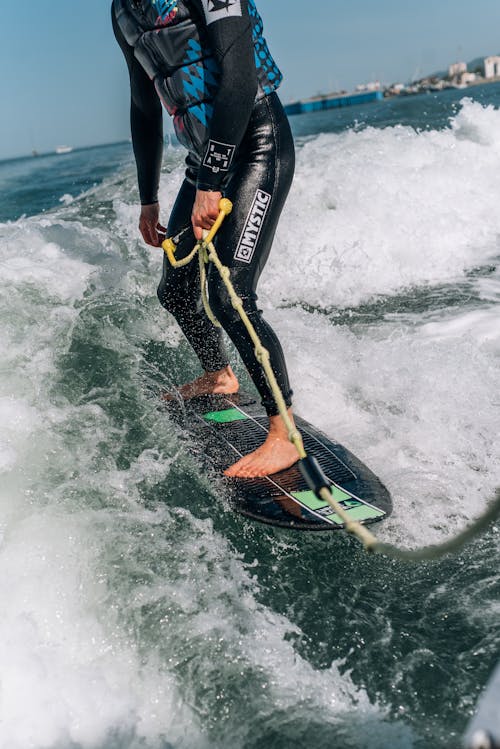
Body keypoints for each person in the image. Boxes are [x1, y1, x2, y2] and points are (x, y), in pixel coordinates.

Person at [112, 0, 297, 478]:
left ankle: (284, 432)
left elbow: (239, 79)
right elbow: (142, 105)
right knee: (176, 290)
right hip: (205, 159)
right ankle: (219, 375)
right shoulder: (124, 10)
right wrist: (148, 197)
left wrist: (211, 185)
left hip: (256, 142)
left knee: (230, 293)